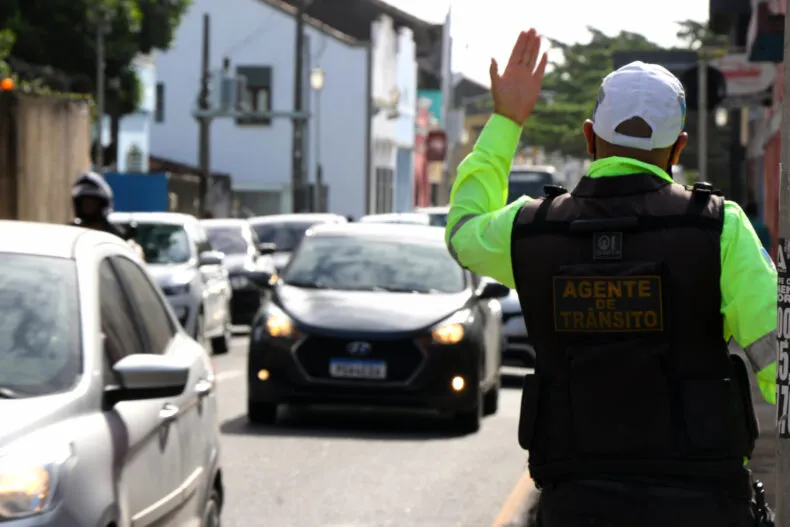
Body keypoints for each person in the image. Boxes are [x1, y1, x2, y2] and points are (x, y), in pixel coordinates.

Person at [445, 29, 777, 526]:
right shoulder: (720, 228)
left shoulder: (531, 229)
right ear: (679, 147)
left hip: (575, 505)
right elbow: (782, 367)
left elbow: (463, 232)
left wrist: (506, 121)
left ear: (588, 135)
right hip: (704, 506)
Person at [70, 171, 144, 259]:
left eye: (93, 202)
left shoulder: (116, 238)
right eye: (85, 202)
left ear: (102, 204)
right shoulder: (71, 233)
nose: (88, 206)